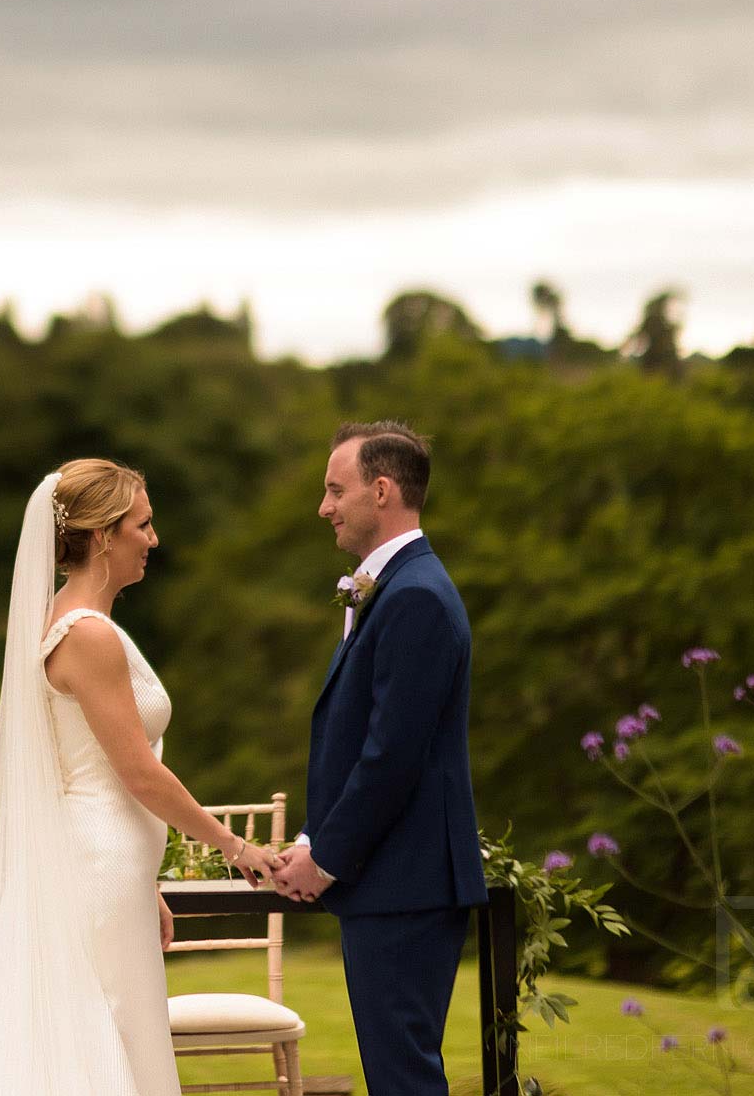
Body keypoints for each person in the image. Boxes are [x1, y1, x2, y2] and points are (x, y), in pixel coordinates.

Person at [0, 458, 280, 1096]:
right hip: (98, 865)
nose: (154, 538)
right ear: (103, 535)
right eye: (143, 524)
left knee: (109, 1035)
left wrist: (144, 881)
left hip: (107, 868)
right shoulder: (88, 637)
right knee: (106, 1042)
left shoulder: (66, 622)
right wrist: (235, 846)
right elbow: (139, 774)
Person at [271, 422, 487, 1094]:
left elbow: (391, 755)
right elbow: (359, 740)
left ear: (383, 490)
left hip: (405, 884)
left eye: (336, 490)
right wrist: (312, 837)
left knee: (404, 1081)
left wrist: (325, 858)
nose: (324, 507)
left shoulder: (415, 595)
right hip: (394, 881)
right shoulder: (394, 587)